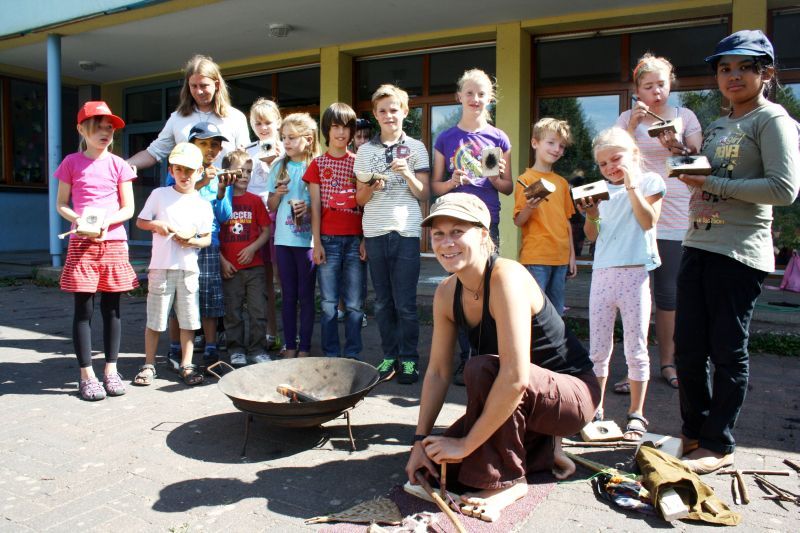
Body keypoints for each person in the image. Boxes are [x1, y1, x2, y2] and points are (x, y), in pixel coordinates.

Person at [405, 193, 599, 520]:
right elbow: (438, 372)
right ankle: (541, 450)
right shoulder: (446, 292)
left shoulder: (507, 277)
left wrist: (466, 444)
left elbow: (515, 378)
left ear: (483, 234)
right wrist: (419, 440)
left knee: (482, 369)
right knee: (434, 465)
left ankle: (509, 482)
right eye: (438, 234)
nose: (446, 243)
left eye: (457, 232)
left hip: (573, 397)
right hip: (523, 397)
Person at [675, 30, 800, 474]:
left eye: (745, 67)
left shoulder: (773, 119)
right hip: (696, 243)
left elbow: (783, 189)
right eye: (724, 68)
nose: (733, 76)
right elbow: (708, 175)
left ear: (766, 73)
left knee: (727, 352)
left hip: (738, 253)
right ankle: (693, 433)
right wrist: (685, 163)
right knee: (688, 351)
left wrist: (711, 182)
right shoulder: (718, 124)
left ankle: (718, 443)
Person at [613, 53, 703, 393]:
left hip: (677, 214)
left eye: (661, 84)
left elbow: (696, 159)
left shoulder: (685, 116)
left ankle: (667, 362)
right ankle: (634, 370)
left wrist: (676, 146)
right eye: (648, 86)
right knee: (634, 297)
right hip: (637, 214)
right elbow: (612, 160)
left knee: (668, 295)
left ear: (670, 85)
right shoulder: (627, 118)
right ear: (637, 90)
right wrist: (631, 128)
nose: (656, 91)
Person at [577, 127, 665, 441]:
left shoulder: (650, 181)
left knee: (636, 347)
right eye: (603, 164)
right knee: (598, 348)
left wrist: (630, 186)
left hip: (635, 274)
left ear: (634, 154)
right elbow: (591, 235)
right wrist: (591, 214)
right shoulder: (599, 190)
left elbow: (647, 220)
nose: (610, 167)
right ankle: (595, 409)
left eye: (616, 159)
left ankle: (636, 413)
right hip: (602, 273)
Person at [430, 69, 512, 386]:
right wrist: (452, 181)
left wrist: (495, 177)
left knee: (488, 287)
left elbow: (506, 187)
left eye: (481, 94)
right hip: (455, 221)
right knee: (460, 289)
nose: (475, 99)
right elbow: (435, 187)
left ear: (489, 98)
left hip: (486, 222)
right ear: (459, 96)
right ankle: (466, 357)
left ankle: (487, 355)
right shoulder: (446, 138)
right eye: (469, 93)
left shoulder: (498, 137)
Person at [55, 101, 139, 401]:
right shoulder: (70, 163)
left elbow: (128, 208)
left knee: (112, 309)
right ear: (81, 129)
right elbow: (61, 204)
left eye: (109, 128)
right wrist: (79, 220)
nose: (105, 133)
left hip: (114, 243)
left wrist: (106, 221)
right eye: (98, 127)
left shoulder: (119, 165)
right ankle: (87, 375)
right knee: (84, 309)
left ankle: (111, 370)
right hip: (82, 243)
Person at [355, 85, 430, 383]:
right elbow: (359, 199)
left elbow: (423, 194)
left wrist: (407, 172)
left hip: (406, 231)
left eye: (394, 110)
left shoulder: (416, 147)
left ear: (405, 111)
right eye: (382, 111)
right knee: (383, 302)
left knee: (406, 304)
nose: (389, 115)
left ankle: (409, 359)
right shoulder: (365, 150)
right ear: (375, 115)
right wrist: (371, 188)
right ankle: (389, 355)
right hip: (374, 231)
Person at [134, 143, 213, 387]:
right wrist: (156, 225)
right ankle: (149, 364)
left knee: (189, 320)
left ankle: (187, 364)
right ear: (171, 170)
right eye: (179, 169)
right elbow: (141, 222)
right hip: (161, 267)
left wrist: (191, 241)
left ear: (199, 172)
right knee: (155, 319)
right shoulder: (159, 194)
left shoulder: (203, 204)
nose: (184, 175)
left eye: (189, 170)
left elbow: (206, 238)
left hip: (188, 269)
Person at [305, 103, 365, 359]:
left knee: (355, 304)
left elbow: (366, 205)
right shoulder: (317, 165)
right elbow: (315, 207)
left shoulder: (360, 162)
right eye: (335, 126)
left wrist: (364, 240)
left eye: (346, 127)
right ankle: (330, 354)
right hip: (327, 241)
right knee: (329, 303)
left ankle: (352, 355)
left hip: (355, 242)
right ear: (326, 130)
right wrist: (316, 243)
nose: (341, 132)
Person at [127, 54, 251, 170]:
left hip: (224, 185)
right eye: (194, 86)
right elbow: (153, 153)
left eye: (204, 85)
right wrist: (121, 167)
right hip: (187, 186)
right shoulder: (177, 118)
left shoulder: (236, 117)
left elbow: (246, 157)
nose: (199, 91)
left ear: (217, 85)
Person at [268, 113, 319, 358]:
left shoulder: (316, 165)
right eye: (283, 137)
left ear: (308, 139)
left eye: (291, 137)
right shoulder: (278, 166)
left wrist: (307, 209)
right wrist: (278, 194)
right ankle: (290, 346)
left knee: (306, 296)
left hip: (307, 241)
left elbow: (321, 205)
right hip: (283, 240)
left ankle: (305, 347)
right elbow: (271, 205)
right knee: (288, 295)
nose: (286, 142)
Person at [514, 117, 577, 316]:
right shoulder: (525, 180)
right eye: (551, 142)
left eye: (562, 146)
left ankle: (554, 340)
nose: (557, 149)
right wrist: (530, 207)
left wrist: (572, 255)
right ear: (535, 143)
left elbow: (566, 221)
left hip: (560, 258)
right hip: (536, 256)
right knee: (535, 311)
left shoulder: (562, 183)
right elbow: (518, 221)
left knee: (556, 312)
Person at [219, 150, 271, 366]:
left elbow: (266, 231)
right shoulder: (221, 201)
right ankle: (236, 349)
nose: (245, 176)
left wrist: (252, 249)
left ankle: (258, 349)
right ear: (227, 172)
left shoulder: (255, 201)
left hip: (255, 267)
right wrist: (222, 261)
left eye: (249, 171)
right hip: (230, 268)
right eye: (240, 171)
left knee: (258, 310)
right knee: (233, 312)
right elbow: (213, 235)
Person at [247, 98, 284, 351]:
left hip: (282, 219)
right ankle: (271, 333)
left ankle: (291, 334)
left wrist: (277, 162)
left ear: (278, 122)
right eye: (257, 123)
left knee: (284, 280)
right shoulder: (247, 150)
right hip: (255, 221)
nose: (263, 128)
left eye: (267, 122)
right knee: (264, 281)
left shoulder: (288, 148)